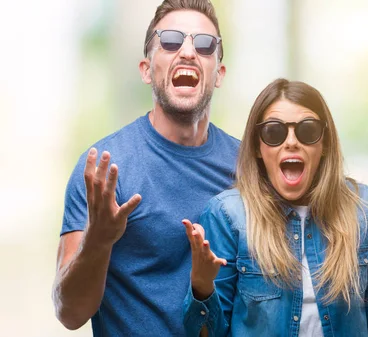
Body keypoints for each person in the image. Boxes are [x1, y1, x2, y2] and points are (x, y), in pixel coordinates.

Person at [182, 79, 368, 337]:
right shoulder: (228, 214)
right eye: (274, 131)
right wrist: (202, 286)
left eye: (307, 130)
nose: (291, 141)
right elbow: (209, 332)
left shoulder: (360, 207)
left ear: (324, 143)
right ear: (257, 146)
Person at [52, 1, 239, 336]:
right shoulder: (103, 171)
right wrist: (99, 239)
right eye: (170, 40)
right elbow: (69, 313)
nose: (187, 52)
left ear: (219, 74)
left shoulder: (247, 167)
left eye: (204, 44)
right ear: (146, 69)